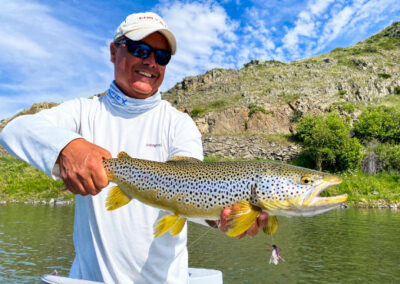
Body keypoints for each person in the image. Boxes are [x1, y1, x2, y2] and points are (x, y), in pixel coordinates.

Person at [0, 12, 267, 283]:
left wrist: (224, 218)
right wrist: (68, 146)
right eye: (140, 49)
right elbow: (14, 130)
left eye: (161, 57)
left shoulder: (179, 123)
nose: (151, 62)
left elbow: (190, 192)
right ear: (114, 51)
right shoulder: (82, 113)